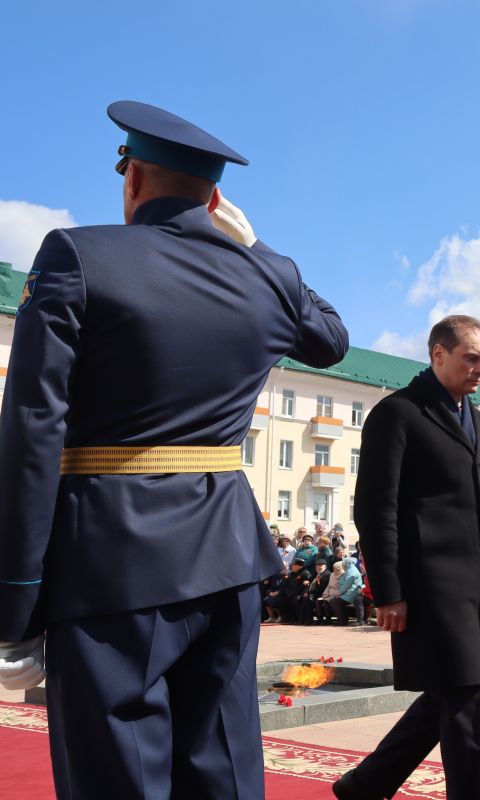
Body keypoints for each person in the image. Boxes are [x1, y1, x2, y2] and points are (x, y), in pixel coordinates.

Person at [0, 100, 348, 799]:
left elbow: (32, 426)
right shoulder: (267, 276)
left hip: (109, 564)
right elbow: (330, 339)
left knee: (119, 778)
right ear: (217, 197)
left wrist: (14, 601)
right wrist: (256, 249)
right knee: (221, 765)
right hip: (228, 559)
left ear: (131, 180)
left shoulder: (78, 256)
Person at [340, 315, 480, 800]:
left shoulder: (474, 418)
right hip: (430, 584)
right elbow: (375, 510)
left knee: (448, 690)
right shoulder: (398, 414)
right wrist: (388, 592)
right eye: (471, 358)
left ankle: (365, 784)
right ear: (438, 354)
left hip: (476, 581)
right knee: (463, 696)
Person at [331, 556, 364, 625]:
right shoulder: (349, 569)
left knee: (334, 601)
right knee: (335, 600)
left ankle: (342, 620)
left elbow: (346, 585)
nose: (342, 565)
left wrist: (338, 593)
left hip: (351, 593)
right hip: (349, 593)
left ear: (346, 564)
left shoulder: (351, 571)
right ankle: (343, 619)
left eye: (343, 563)